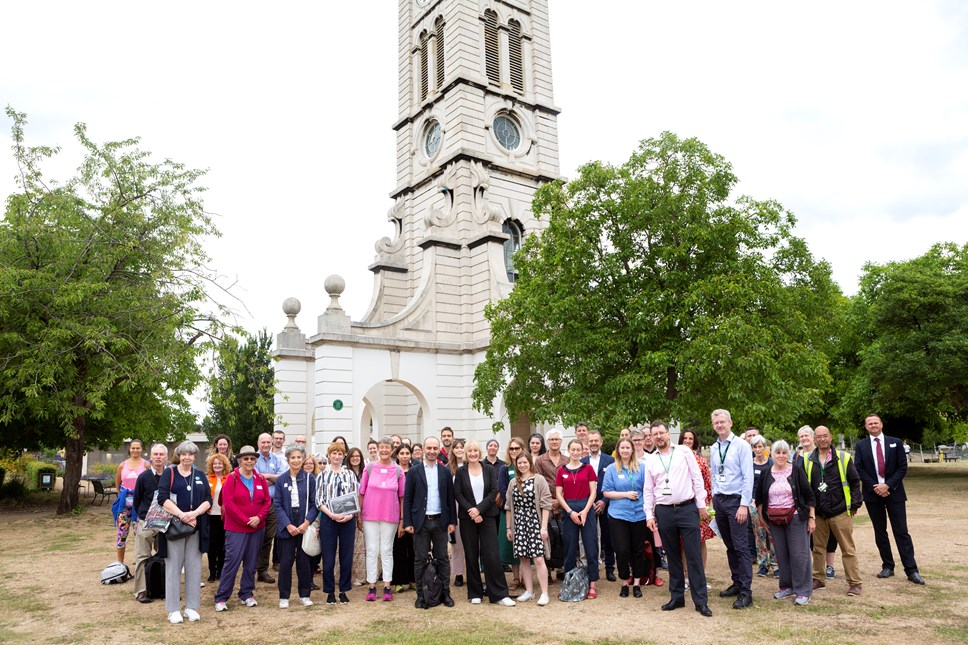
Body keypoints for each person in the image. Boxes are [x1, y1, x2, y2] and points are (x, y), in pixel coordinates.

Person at [643, 420, 712, 617]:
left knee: (693, 556)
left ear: (668, 434)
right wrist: (649, 514)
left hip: (687, 509)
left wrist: (701, 506)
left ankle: (701, 601)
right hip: (664, 511)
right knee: (672, 556)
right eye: (654, 434)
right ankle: (677, 597)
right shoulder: (651, 460)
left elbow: (697, 479)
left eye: (661, 433)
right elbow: (648, 490)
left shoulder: (683, 451)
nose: (658, 436)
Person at [854, 414, 925, 585]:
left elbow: (902, 467)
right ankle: (888, 566)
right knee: (880, 532)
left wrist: (888, 485)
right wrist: (875, 487)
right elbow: (859, 468)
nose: (873, 425)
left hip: (895, 493)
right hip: (873, 494)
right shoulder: (861, 445)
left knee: (901, 531)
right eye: (870, 423)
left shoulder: (896, 442)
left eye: (875, 423)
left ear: (881, 424)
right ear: (866, 427)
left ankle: (911, 570)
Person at [157, 441, 212, 624]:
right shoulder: (169, 473)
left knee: (194, 567)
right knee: (173, 567)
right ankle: (173, 609)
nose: (187, 457)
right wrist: (182, 515)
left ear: (195, 456)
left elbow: (208, 500)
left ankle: (191, 607)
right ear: (178, 456)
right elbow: (162, 498)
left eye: (191, 454)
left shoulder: (200, 475)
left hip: (196, 526)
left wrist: (194, 514)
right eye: (184, 454)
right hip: (174, 527)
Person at [755, 440, 816, 606]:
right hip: (774, 520)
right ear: (772, 454)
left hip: (796, 517)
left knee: (799, 554)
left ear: (788, 454)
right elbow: (760, 498)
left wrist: (811, 518)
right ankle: (786, 587)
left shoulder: (796, 470)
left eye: (784, 453)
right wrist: (762, 518)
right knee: (782, 555)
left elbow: (809, 495)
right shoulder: (767, 473)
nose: (781, 456)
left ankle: (803, 591)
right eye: (777, 452)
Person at [454, 441, 515, 606]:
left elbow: (493, 491)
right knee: (472, 555)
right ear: (466, 454)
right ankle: (475, 592)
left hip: (487, 516)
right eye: (470, 451)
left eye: (475, 451)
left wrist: (479, 510)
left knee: (492, 555)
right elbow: (458, 494)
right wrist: (472, 512)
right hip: (468, 518)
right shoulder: (460, 472)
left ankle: (500, 594)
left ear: (479, 452)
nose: (473, 453)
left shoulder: (488, 469)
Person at [805, 425, 863, 596]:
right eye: (819, 437)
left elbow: (854, 482)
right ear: (814, 439)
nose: (822, 439)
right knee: (818, 548)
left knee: (848, 549)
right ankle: (818, 579)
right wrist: (810, 513)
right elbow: (805, 486)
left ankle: (854, 583)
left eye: (825, 436)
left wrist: (854, 505)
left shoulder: (844, 458)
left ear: (830, 438)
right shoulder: (807, 459)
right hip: (819, 513)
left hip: (839, 511)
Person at [213, 445, 272, 612]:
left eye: (252, 458)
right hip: (236, 528)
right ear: (240, 460)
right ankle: (222, 597)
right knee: (232, 562)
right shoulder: (232, 478)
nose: (249, 461)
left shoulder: (260, 479)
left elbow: (267, 502)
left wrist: (259, 517)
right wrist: (246, 520)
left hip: (257, 528)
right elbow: (229, 503)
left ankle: (246, 593)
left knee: (251, 563)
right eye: (246, 458)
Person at [709, 408, 755, 609]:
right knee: (729, 546)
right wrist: (713, 499)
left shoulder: (742, 446)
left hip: (736, 502)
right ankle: (737, 583)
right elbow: (713, 474)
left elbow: (748, 477)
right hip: (720, 501)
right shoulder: (713, 447)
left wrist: (744, 504)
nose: (719, 425)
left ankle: (746, 591)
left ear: (730, 423)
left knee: (741, 546)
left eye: (722, 422)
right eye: (716, 423)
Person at [403, 436, 457, 609]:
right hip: (421, 522)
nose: (432, 451)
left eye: (435, 448)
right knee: (419, 560)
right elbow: (408, 498)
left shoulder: (445, 471)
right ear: (424, 449)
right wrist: (407, 522)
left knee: (442, 559)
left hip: (441, 521)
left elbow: (450, 498)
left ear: (438, 449)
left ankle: (445, 593)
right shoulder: (413, 471)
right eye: (429, 448)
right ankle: (421, 595)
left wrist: (452, 521)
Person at [359, 438, 406, 602]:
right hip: (370, 515)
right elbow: (361, 493)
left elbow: (402, 498)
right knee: (372, 550)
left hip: (390, 516)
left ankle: (387, 586)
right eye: (382, 447)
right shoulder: (370, 468)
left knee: (386, 551)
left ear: (392, 450)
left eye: (388, 447)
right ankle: (371, 586)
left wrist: (402, 520)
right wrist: (359, 515)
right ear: (378, 449)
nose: (384, 450)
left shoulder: (398, 470)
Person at [274, 444, 318, 608]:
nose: (296, 460)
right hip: (287, 524)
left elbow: (315, 504)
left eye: (299, 457)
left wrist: (307, 522)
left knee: (304, 562)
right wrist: (287, 525)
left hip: (304, 521)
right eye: (293, 457)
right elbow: (277, 505)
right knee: (285, 562)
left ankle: (304, 594)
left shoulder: (309, 479)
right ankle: (284, 596)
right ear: (288, 459)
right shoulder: (281, 480)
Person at [601, 438, 647, 597]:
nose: (626, 450)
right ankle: (624, 582)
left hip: (639, 514)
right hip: (618, 515)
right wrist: (625, 495)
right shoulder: (612, 469)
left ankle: (636, 583)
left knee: (637, 550)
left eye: (628, 447)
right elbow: (606, 492)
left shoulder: (642, 468)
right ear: (618, 450)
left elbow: (648, 489)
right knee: (621, 550)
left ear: (632, 450)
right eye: (623, 448)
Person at [555, 438, 600, 599]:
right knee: (570, 547)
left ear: (582, 451)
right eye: (572, 450)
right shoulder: (562, 470)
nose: (575, 452)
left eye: (578, 450)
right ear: (568, 451)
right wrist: (570, 512)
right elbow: (559, 494)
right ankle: (569, 581)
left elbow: (593, 492)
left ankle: (593, 583)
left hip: (586, 507)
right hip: (569, 509)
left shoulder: (588, 468)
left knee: (590, 546)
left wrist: (586, 511)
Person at [505, 451, 551, 606]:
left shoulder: (539, 480)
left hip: (535, 523)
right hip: (519, 525)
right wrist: (508, 528)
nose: (522, 465)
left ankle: (544, 593)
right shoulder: (513, 482)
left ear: (530, 463)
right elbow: (508, 507)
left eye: (525, 462)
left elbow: (546, 504)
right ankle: (529, 591)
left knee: (538, 558)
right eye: (519, 463)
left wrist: (543, 527)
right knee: (523, 558)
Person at [316, 442, 360, 605]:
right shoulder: (322, 475)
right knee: (328, 558)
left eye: (340, 453)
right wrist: (332, 515)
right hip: (329, 519)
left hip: (348, 520)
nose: (336, 456)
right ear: (329, 455)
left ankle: (343, 590)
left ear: (344, 456)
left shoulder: (349, 474)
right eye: (334, 453)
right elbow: (319, 500)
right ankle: (329, 592)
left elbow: (355, 496)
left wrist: (350, 515)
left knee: (346, 556)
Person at [796, 425, 838, 579]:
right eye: (801, 436)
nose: (804, 438)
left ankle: (830, 566)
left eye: (807, 435)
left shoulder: (821, 454)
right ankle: (815, 568)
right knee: (812, 536)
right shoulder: (796, 456)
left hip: (828, 501)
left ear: (813, 437)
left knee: (831, 535)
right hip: (806, 503)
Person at [132, 443, 168, 604]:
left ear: (166, 457)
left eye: (161, 454)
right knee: (142, 556)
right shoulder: (143, 477)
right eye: (156, 454)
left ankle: (164, 587)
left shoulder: (170, 475)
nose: (158, 457)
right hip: (146, 521)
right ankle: (141, 590)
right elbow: (137, 500)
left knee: (166, 556)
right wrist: (139, 519)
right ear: (151, 457)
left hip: (165, 522)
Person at [678, 429, 714, 586]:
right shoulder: (675, 459)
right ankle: (686, 577)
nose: (687, 440)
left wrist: (706, 504)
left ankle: (701, 576)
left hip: (699, 506)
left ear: (695, 441)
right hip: (682, 505)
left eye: (690, 438)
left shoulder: (701, 461)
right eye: (684, 438)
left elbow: (707, 484)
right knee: (684, 543)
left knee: (701, 541)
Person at [581, 431, 616, 581]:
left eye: (596, 441)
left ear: (601, 442)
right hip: (588, 504)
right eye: (591, 441)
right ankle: (592, 568)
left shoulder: (611, 460)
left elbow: (615, 483)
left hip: (606, 503)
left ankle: (609, 569)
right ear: (587, 443)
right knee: (590, 538)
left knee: (609, 538)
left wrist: (604, 501)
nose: (594, 443)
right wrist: (591, 502)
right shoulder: (582, 461)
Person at [255, 432, 286, 584]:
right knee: (254, 536)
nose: (266, 445)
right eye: (263, 442)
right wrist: (271, 477)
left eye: (268, 442)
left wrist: (264, 476)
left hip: (273, 503)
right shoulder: (252, 459)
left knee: (268, 537)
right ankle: (250, 567)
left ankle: (262, 571)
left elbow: (282, 477)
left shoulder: (277, 459)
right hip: (255, 503)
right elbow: (253, 478)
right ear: (258, 443)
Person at [114, 439, 148, 564]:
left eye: (138, 448)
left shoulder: (146, 465)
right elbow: (118, 484)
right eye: (133, 448)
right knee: (122, 534)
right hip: (124, 506)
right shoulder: (122, 465)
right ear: (129, 449)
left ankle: (140, 561)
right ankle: (120, 563)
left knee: (140, 535)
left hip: (140, 505)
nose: (135, 450)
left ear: (142, 449)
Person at [499, 438, 526, 591]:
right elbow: (503, 490)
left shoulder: (527, 466)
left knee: (526, 546)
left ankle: (525, 577)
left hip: (527, 512)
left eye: (517, 448)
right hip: (509, 512)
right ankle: (516, 578)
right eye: (511, 449)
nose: (514, 451)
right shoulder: (505, 468)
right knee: (512, 546)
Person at [750, 435, 778, 578]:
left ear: (765, 447)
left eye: (760, 446)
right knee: (759, 534)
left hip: (771, 502)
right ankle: (763, 564)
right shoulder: (749, 463)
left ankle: (776, 564)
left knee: (772, 533)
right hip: (755, 502)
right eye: (755, 447)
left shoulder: (772, 462)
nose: (758, 449)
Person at [391, 444, 417, 594]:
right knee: (399, 547)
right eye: (402, 453)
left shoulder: (415, 471)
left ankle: (413, 579)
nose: (405, 456)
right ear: (398, 455)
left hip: (414, 514)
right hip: (397, 514)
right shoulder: (394, 471)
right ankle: (399, 581)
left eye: (408, 453)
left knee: (413, 548)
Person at [206, 452, 232, 582]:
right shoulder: (207, 478)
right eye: (215, 463)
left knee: (223, 544)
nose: (217, 465)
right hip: (210, 515)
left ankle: (221, 571)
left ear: (224, 465)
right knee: (212, 545)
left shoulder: (230, 478)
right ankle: (212, 571)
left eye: (219, 463)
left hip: (225, 517)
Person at [344, 446, 367, 586]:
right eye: (353, 456)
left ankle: (359, 575)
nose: (355, 458)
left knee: (360, 546)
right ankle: (346, 575)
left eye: (358, 456)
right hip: (349, 512)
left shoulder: (366, 472)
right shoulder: (345, 473)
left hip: (365, 511)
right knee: (347, 546)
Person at [447, 439, 467, 587]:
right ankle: (458, 573)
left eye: (462, 447)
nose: (459, 449)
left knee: (473, 543)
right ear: (453, 450)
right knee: (457, 544)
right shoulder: (448, 469)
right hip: (454, 508)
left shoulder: (472, 465)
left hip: (470, 507)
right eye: (457, 447)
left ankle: (473, 572)